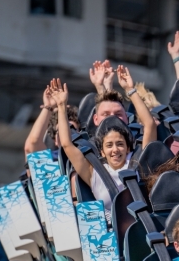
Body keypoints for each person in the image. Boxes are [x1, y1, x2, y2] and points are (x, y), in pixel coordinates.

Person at [50, 71, 155, 216]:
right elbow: (67, 144)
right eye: (109, 145)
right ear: (101, 151)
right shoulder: (93, 172)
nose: (115, 150)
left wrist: (130, 90)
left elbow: (149, 124)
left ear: (128, 147)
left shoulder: (138, 161)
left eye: (120, 144)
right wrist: (61, 106)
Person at [23, 87, 78, 156]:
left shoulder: (87, 159)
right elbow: (33, 143)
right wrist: (48, 107)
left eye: (72, 131)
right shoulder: (50, 163)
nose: (67, 137)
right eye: (62, 132)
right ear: (56, 140)